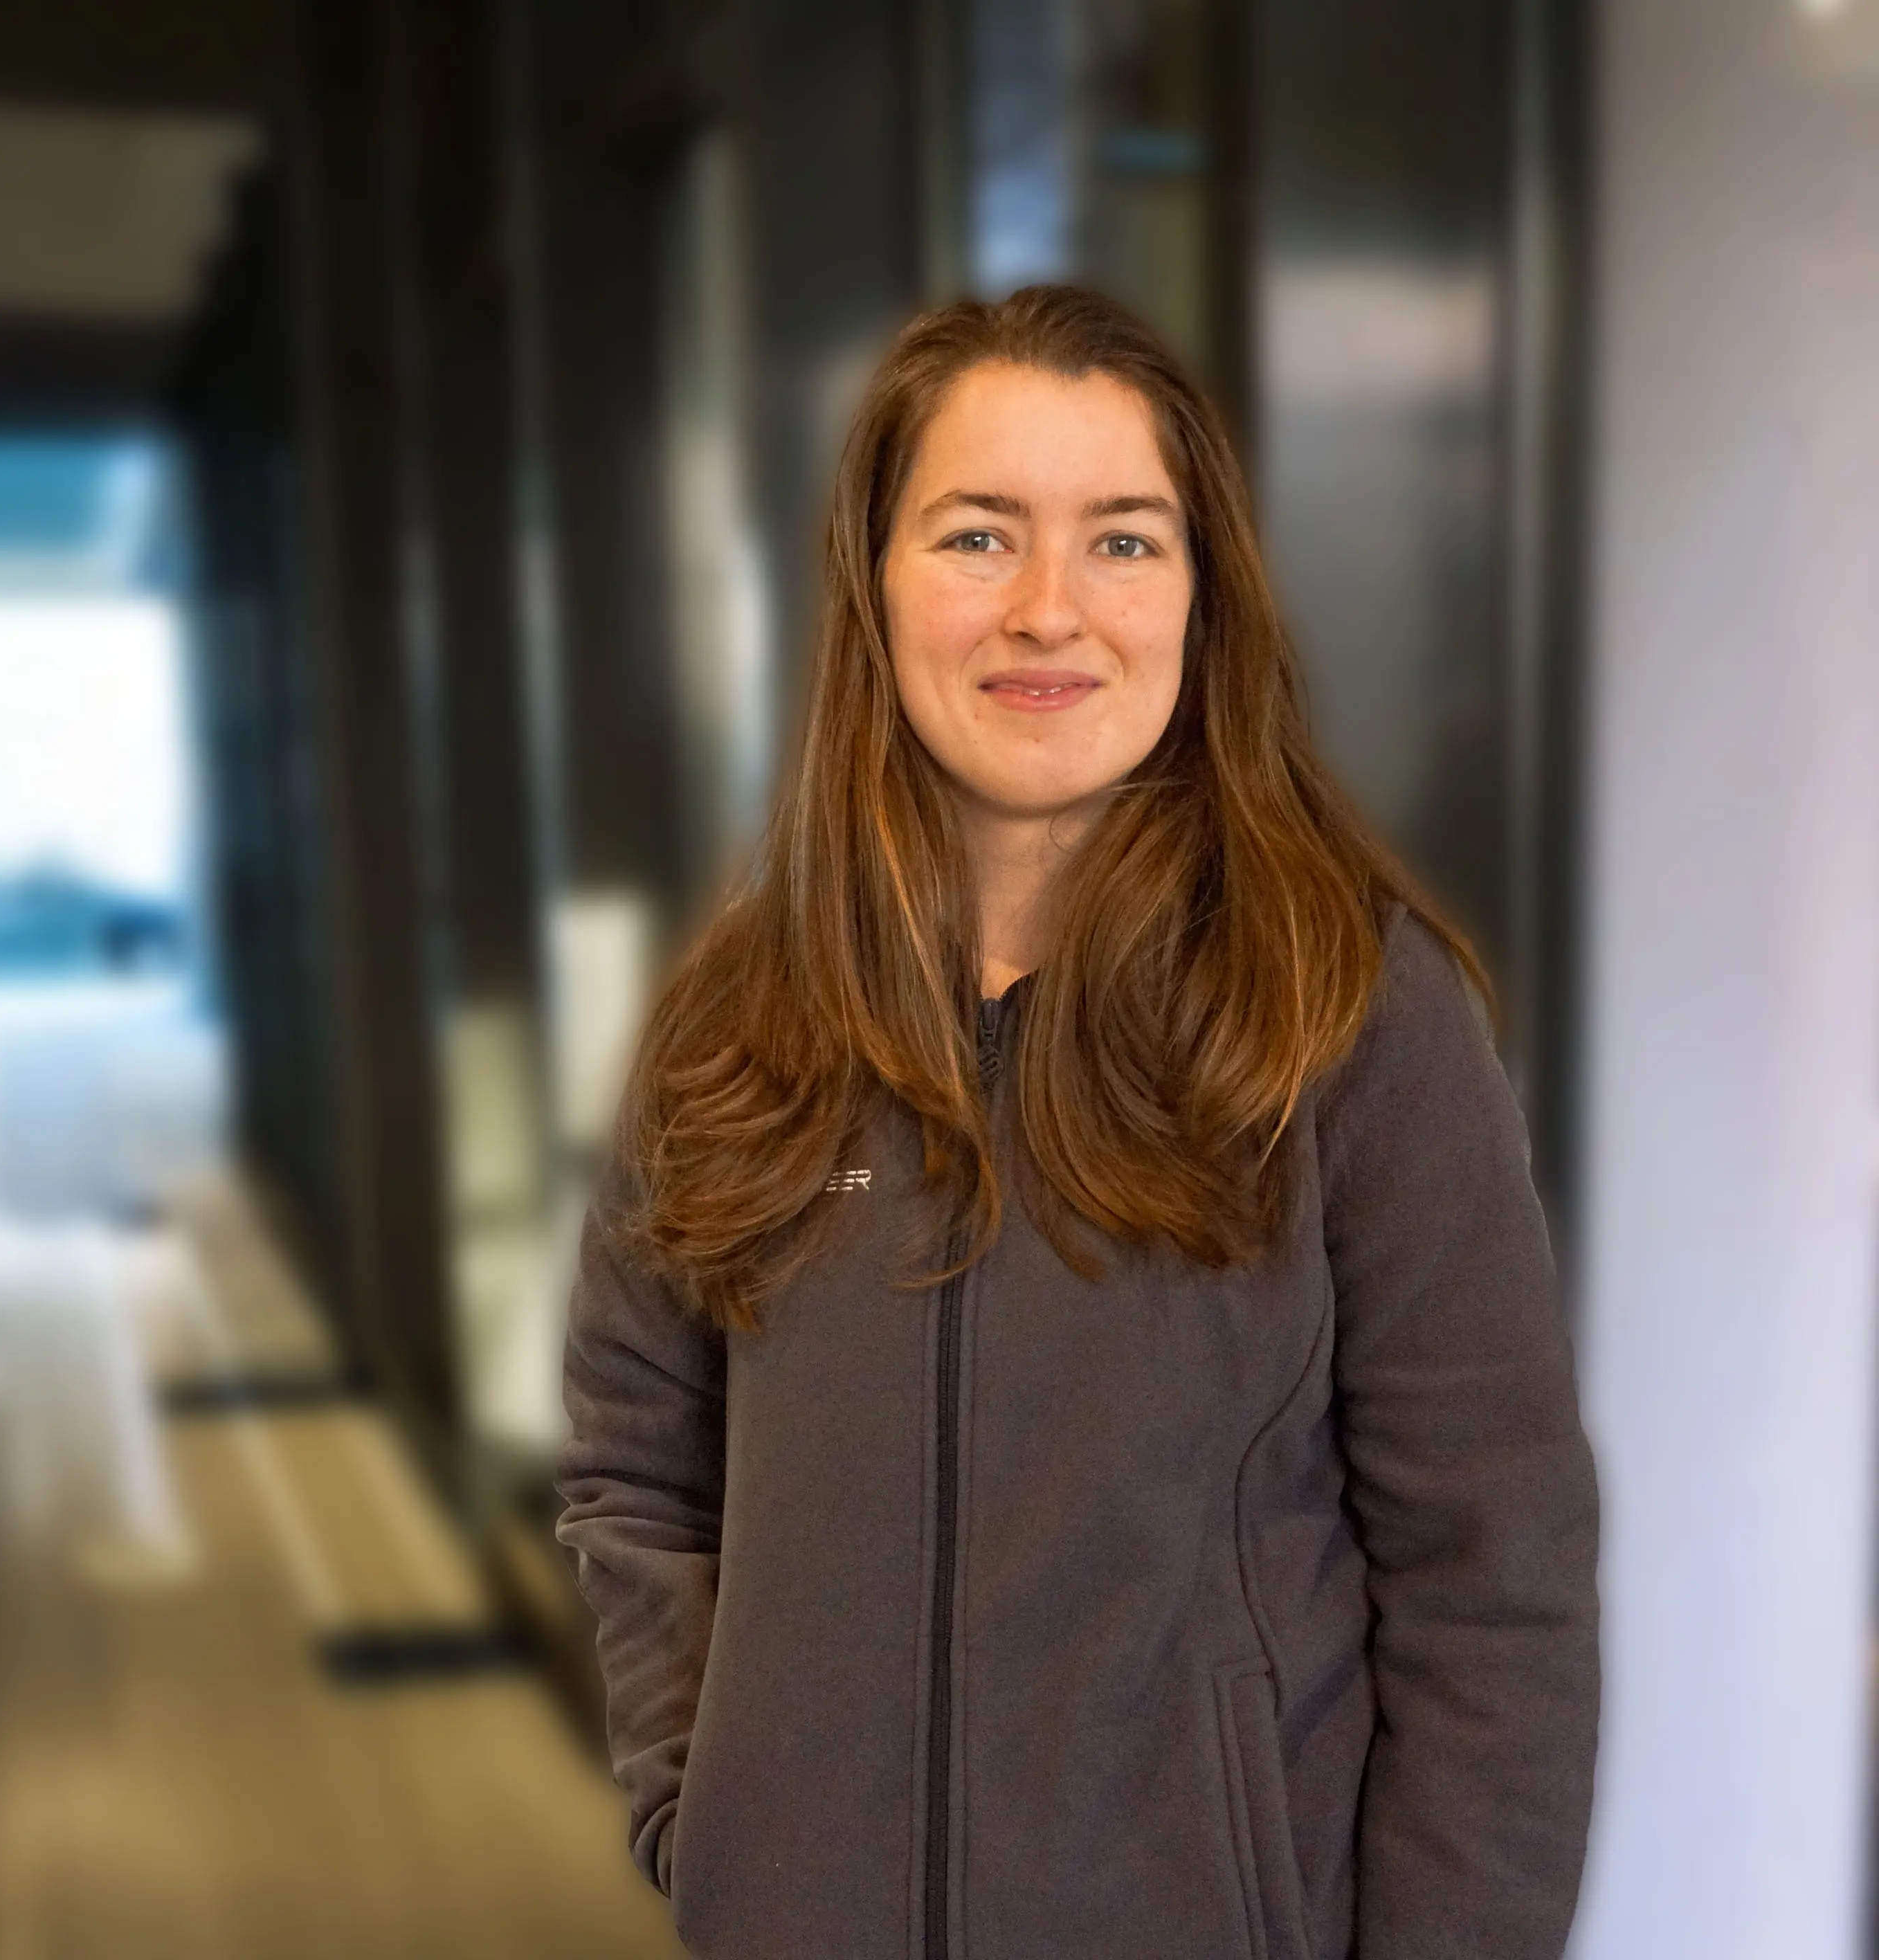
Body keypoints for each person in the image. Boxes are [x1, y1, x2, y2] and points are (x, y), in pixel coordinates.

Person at [556, 283, 1599, 1960]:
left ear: (1200, 597)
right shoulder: (735, 1024)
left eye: (1122, 541)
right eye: (978, 536)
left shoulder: (1348, 1009)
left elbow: (1496, 1577)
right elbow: (638, 1463)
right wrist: (711, 1815)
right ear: (874, 584)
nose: (1050, 610)